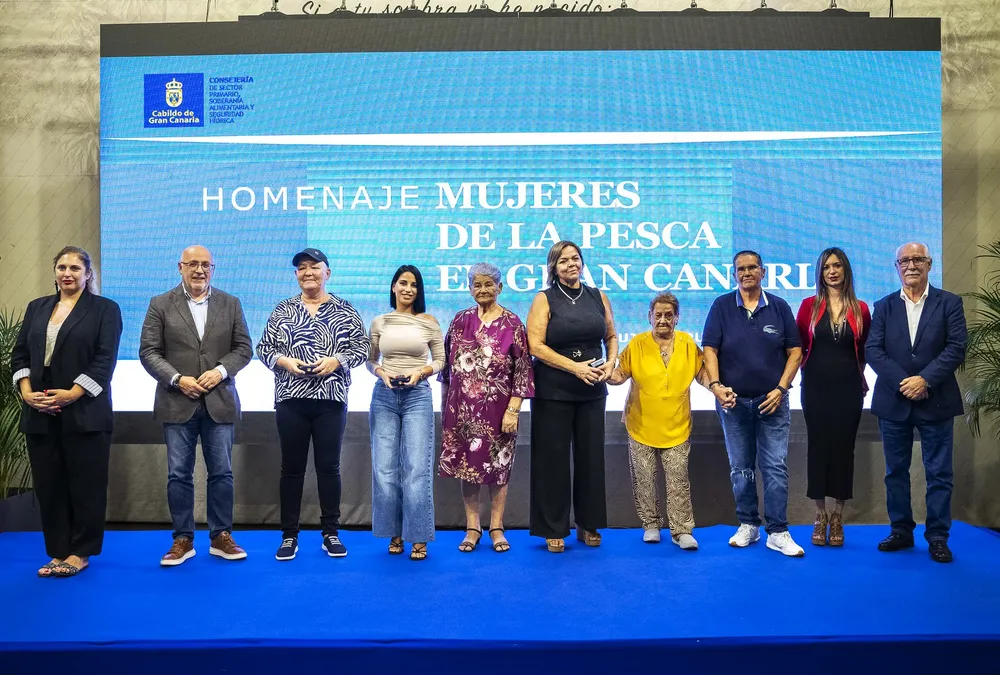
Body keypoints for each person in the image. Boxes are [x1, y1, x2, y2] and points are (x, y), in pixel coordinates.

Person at [11, 246, 122, 577]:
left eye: (75, 268)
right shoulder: (37, 307)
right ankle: (58, 552)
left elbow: (104, 359)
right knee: (50, 486)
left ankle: (81, 552)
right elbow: (20, 355)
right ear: (55, 272)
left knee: (86, 486)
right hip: (39, 410)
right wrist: (27, 393)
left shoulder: (105, 309)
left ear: (88, 274)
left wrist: (73, 393)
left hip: (85, 411)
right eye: (62, 267)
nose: (67, 273)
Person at [139, 245, 254, 566]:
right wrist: (177, 379)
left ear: (213, 269)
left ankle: (221, 536)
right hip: (177, 401)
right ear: (180, 267)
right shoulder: (160, 303)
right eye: (192, 264)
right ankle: (183, 539)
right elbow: (148, 351)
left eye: (205, 264)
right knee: (178, 474)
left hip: (220, 401)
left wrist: (220, 371)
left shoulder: (231, 303)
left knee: (222, 473)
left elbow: (244, 348)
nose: (199, 270)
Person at [256, 248, 370, 561]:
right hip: (291, 399)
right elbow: (264, 348)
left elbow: (363, 348)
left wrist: (337, 361)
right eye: (302, 268)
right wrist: (284, 361)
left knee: (329, 467)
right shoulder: (283, 309)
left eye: (314, 267)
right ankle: (289, 536)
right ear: (296, 275)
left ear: (327, 273)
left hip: (330, 401)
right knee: (291, 468)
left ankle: (330, 533)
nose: (308, 272)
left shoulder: (345, 309)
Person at [866, 242, 966, 563]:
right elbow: (873, 350)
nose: (911, 265)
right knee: (895, 472)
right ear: (896, 267)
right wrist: (905, 382)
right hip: (894, 401)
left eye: (917, 259)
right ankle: (901, 531)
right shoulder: (883, 306)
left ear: (929, 264)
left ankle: (937, 536)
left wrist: (925, 380)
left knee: (939, 473)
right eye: (904, 261)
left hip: (936, 400)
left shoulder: (949, 303)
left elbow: (956, 347)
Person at [608, 292, 733, 549]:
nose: (663, 320)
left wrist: (717, 389)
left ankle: (681, 530)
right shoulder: (637, 344)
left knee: (678, 480)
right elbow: (621, 374)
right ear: (649, 317)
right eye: (658, 315)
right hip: (641, 424)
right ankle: (651, 525)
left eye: (668, 315)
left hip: (677, 424)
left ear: (677, 318)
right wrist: (607, 374)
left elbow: (702, 374)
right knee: (644, 478)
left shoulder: (687, 343)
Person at [702, 249, 805, 557]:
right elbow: (710, 350)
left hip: (772, 403)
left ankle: (778, 531)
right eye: (741, 269)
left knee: (775, 467)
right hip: (733, 404)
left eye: (752, 268)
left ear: (763, 272)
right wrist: (716, 387)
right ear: (734, 275)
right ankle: (748, 524)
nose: (746, 273)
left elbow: (795, 352)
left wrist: (782, 388)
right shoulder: (721, 306)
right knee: (741, 468)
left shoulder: (780, 307)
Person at [526, 241, 617, 553]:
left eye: (575, 258)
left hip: (592, 389)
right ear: (553, 267)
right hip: (553, 390)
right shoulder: (544, 298)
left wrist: (611, 362)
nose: (571, 264)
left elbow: (611, 336)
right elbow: (535, 346)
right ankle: (553, 529)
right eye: (563, 261)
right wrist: (574, 368)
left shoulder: (598, 295)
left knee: (591, 459)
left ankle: (588, 525)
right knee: (552, 461)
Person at [438, 263, 535, 553]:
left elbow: (523, 371)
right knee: (467, 467)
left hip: (499, 413)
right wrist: (445, 407)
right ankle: (472, 527)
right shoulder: (460, 320)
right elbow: (447, 369)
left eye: (488, 284)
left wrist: (513, 410)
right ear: (470, 289)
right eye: (477, 285)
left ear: (499, 287)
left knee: (498, 468)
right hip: (461, 411)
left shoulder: (513, 323)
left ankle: (496, 526)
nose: (483, 290)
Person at [368, 265, 445, 561]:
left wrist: (421, 373)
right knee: (384, 470)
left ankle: (419, 536)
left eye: (414, 285)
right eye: (403, 283)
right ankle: (394, 533)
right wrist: (381, 373)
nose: (408, 289)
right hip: (384, 395)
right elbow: (370, 360)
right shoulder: (380, 322)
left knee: (416, 469)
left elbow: (440, 360)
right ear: (393, 287)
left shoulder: (429, 322)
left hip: (418, 396)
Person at [796, 247, 871, 547]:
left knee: (843, 450)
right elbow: (799, 346)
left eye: (837, 265)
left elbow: (863, 351)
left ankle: (838, 515)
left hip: (848, 389)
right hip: (815, 388)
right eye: (827, 267)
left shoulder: (861, 309)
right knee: (818, 448)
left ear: (846, 270)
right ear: (820, 272)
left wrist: (857, 377)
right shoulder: (808, 306)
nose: (832, 271)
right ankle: (820, 514)